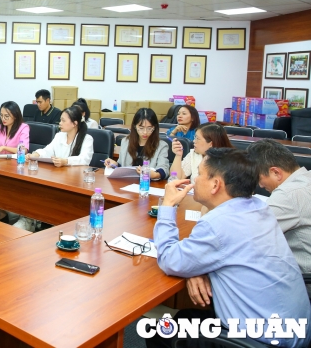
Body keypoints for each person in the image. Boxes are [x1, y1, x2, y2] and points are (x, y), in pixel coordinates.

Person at [148, 148, 311, 348]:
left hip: (263, 339)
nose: (194, 179)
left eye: (199, 173)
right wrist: (196, 267)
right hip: (295, 328)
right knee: (185, 316)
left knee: (159, 332)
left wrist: (168, 205)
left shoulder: (218, 225)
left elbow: (169, 260)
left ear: (216, 184)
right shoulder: (259, 208)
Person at [247, 139, 311, 295]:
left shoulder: (288, 194)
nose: (260, 186)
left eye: (259, 178)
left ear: (276, 172)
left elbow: (247, 235)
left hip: (302, 282)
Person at [104, 108, 169, 180]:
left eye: (149, 128)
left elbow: (164, 169)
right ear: (135, 126)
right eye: (141, 128)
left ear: (155, 127)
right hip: (127, 183)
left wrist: (154, 175)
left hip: (148, 184)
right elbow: (122, 165)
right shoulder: (126, 142)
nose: (145, 132)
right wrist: (114, 164)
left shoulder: (162, 146)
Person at [29, 105, 94, 167]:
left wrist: (65, 161)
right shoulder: (59, 135)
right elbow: (48, 150)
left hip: (76, 176)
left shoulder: (87, 139)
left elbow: (84, 159)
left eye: (63, 121)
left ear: (74, 123)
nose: (60, 123)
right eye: (60, 120)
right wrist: (35, 155)